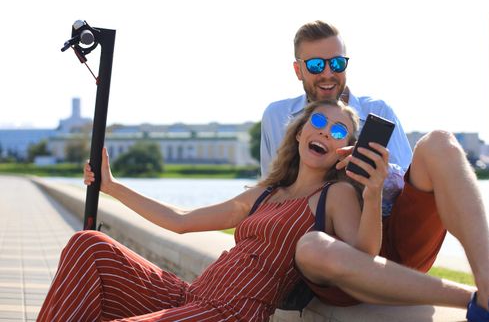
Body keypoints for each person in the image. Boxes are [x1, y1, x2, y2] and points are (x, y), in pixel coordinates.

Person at [260, 20, 489, 321]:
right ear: (298, 70)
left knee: (440, 141)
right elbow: (272, 196)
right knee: (313, 247)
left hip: (397, 241)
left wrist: (378, 175)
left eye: (337, 63)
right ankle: (480, 299)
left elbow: (411, 188)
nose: (328, 74)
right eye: (316, 65)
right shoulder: (277, 116)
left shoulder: (379, 110)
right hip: (336, 253)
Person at [37, 100, 390, 322]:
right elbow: (181, 221)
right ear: (299, 134)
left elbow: (363, 254)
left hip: (231, 313)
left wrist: (371, 192)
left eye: (339, 130)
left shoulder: (337, 194)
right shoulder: (265, 195)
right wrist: (111, 186)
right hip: (191, 296)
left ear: (345, 150)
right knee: (90, 244)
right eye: (319, 122)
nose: (326, 132)